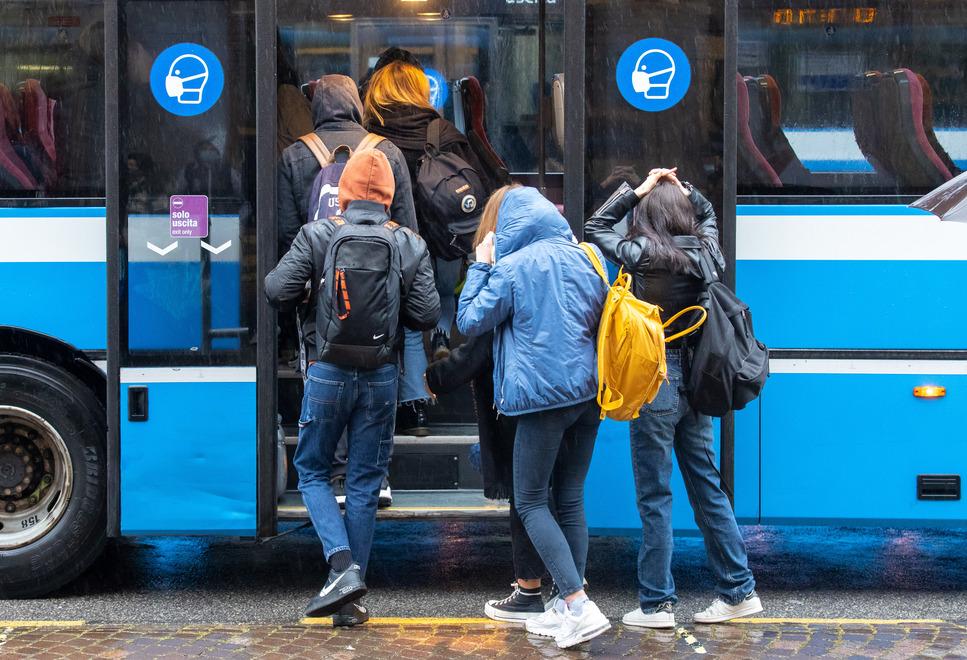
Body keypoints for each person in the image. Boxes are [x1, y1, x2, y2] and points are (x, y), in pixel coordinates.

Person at [265, 149, 440, 626]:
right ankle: (350, 600)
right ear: (388, 196)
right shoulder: (409, 243)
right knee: (364, 482)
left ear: (341, 193)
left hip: (328, 371)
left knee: (312, 470)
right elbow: (427, 314)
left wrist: (314, 288)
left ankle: (341, 567)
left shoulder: (318, 234)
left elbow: (276, 290)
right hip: (381, 376)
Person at [584, 168, 763, 629]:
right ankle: (739, 590)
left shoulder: (642, 253)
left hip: (655, 379)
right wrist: (688, 191)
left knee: (655, 496)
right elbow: (709, 215)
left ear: (648, 215)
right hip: (697, 382)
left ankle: (657, 604)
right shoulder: (705, 251)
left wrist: (638, 190)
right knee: (707, 487)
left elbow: (595, 227)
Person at [456, 185, 610, 649]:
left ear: (509, 225)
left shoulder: (512, 267)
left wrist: (481, 264)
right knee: (571, 499)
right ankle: (566, 606)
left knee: (530, 502)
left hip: (541, 401)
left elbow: (469, 321)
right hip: (588, 397)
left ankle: (577, 604)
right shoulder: (586, 258)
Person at [277, 74, 421, 500]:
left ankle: (337, 470)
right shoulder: (386, 151)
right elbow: (408, 226)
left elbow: (286, 232)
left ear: (317, 108)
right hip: (380, 294)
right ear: (357, 105)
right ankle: (375, 474)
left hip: (322, 293)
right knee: (377, 371)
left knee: (327, 370)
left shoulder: (295, 155)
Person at [364, 60, 496, 405]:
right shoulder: (442, 132)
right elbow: (479, 184)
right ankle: (440, 337)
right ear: (420, 90)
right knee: (443, 293)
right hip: (444, 238)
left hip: (391, 240)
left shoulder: (370, 138)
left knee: (401, 314)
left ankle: (411, 396)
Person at [426, 329, 558, 622]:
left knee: (527, 498)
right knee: (565, 495)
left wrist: (434, 377)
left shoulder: (509, 301)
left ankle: (535, 592)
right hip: (573, 392)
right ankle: (568, 589)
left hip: (527, 400)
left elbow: (479, 342)